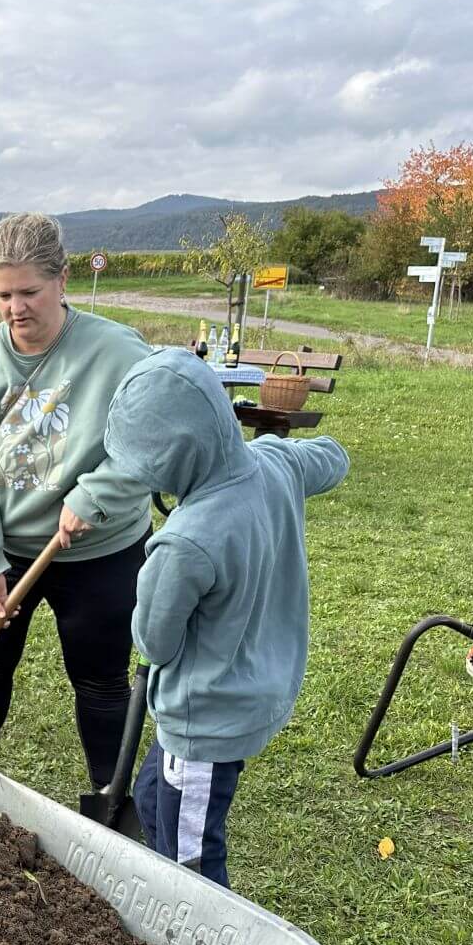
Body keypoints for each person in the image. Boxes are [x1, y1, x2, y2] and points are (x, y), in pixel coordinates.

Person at [105, 348, 349, 887]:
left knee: (194, 857)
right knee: (150, 795)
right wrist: (319, 455)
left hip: (206, 717)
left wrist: (150, 585)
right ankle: (167, 887)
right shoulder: (273, 462)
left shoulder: (184, 543)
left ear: (169, 461)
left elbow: (155, 643)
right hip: (257, 683)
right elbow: (331, 458)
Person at [0, 213, 152, 790]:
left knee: (101, 682)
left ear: (62, 281)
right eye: (3, 294)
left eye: (29, 291)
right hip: (3, 552)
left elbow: (154, 441)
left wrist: (97, 494)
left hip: (103, 552)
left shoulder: (118, 352)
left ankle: (110, 806)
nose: (15, 308)